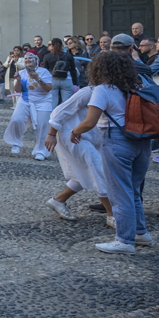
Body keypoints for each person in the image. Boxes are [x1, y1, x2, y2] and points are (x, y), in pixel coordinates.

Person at [69, 52, 152, 254]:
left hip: (117, 141)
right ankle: (140, 233)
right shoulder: (140, 85)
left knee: (119, 191)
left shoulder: (103, 89)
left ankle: (124, 240)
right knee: (132, 189)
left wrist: (75, 131)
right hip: (143, 141)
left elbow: (90, 121)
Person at [43, 85, 113, 224]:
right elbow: (59, 111)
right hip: (72, 135)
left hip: (92, 137)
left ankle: (58, 200)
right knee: (98, 170)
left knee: (84, 172)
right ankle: (112, 215)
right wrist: (51, 134)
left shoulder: (116, 90)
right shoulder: (88, 91)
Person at [4, 51, 53, 160]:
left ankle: (41, 151)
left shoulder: (44, 72)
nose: (28, 60)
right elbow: (18, 90)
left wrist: (37, 78)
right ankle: (15, 143)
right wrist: (18, 81)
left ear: (36, 60)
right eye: (26, 58)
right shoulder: (21, 72)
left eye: (30, 58)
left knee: (42, 126)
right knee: (16, 119)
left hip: (43, 102)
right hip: (25, 100)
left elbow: (48, 89)